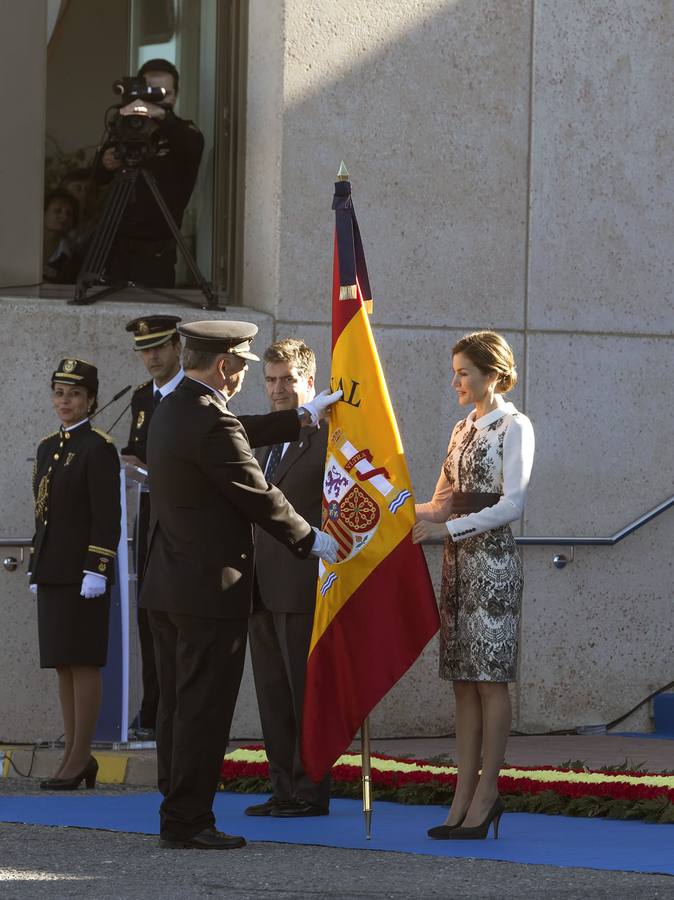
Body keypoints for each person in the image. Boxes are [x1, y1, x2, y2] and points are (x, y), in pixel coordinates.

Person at [139, 320, 340, 850]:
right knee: (203, 708)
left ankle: (174, 809)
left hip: (167, 587)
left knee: (176, 709)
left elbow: (236, 429)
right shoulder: (210, 419)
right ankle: (189, 821)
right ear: (225, 365)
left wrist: (300, 419)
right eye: (243, 369)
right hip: (209, 593)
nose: (242, 380)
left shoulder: (173, 407)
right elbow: (258, 495)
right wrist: (310, 539)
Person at [412, 331, 534, 841]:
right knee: (462, 679)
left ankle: (487, 794)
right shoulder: (461, 429)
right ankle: (462, 794)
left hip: (493, 564)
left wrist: (448, 529)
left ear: (492, 374)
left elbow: (513, 503)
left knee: (490, 679)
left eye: (464, 372)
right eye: (456, 371)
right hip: (456, 565)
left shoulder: (515, 425)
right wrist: (383, 509)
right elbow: (440, 503)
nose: (456, 380)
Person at [245, 339, 332, 819]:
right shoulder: (261, 437)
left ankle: (310, 789)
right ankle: (282, 786)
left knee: (304, 693)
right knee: (272, 692)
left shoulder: (327, 437)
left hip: (301, 581)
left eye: (288, 380)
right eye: (271, 380)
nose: (278, 390)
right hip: (257, 582)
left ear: (309, 383)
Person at [29, 358, 121, 791]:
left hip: (85, 574)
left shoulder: (98, 448)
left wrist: (97, 568)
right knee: (62, 663)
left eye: (75, 395)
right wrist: (37, 564)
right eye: (59, 393)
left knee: (83, 662)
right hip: (54, 570)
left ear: (91, 400)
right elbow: (43, 516)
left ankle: (82, 754)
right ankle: (73, 755)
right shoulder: (50, 446)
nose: (65, 401)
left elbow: (107, 517)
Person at [121, 315, 183, 738]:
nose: (152, 356)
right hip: (147, 515)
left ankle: (176, 713)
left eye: (159, 346)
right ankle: (152, 709)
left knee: (177, 616)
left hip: (181, 518)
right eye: (145, 349)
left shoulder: (196, 395)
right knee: (148, 615)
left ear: (178, 346)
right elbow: (135, 451)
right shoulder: (143, 398)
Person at [94, 58, 204, 288]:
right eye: (150, 91)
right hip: (114, 247)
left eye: (164, 92)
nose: (157, 98)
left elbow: (192, 147)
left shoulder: (183, 133)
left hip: (155, 254)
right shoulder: (123, 127)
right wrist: (106, 162)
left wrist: (161, 116)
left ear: (175, 96)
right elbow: (97, 177)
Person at [42, 190, 79, 283]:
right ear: (43, 213)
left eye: (69, 214)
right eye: (57, 211)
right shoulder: (24, 243)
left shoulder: (72, 256)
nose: (64, 217)